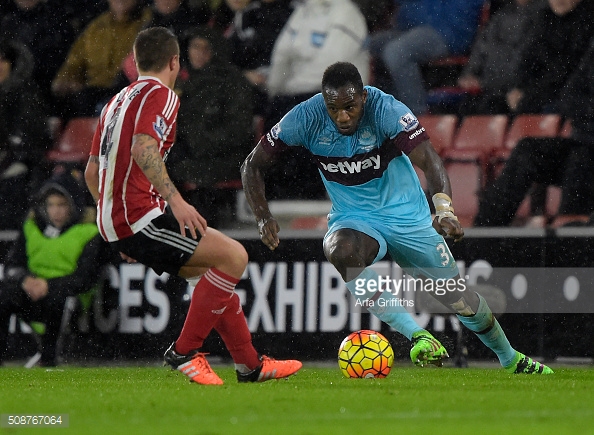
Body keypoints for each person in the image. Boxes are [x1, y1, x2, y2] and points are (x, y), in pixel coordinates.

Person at [241, 61, 553, 374]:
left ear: (363, 96)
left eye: (350, 107)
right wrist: (263, 217)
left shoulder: (387, 110)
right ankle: (418, 335)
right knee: (340, 251)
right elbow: (252, 165)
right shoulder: (306, 117)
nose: (343, 116)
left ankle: (510, 358)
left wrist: (444, 210)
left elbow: (431, 163)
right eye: (334, 109)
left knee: (460, 299)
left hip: (408, 218)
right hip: (355, 218)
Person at [84, 26, 301, 385]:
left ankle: (251, 365)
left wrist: (112, 221)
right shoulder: (162, 95)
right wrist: (176, 201)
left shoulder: (116, 101)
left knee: (211, 275)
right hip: (140, 214)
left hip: (121, 217)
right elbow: (143, 148)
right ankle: (185, 352)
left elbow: (93, 170)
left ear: (136, 62)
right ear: (175, 62)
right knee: (234, 257)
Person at [474, 36, 594, 227]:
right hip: (585, 142)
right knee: (528, 150)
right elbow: (570, 95)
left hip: (585, 150)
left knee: (581, 159)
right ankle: (483, 235)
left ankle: (572, 242)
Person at [262, 0, 370, 200]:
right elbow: (281, 55)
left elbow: (332, 65)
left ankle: (312, 190)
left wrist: (294, 82)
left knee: (308, 117)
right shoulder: (303, 12)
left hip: (336, 94)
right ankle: (285, 189)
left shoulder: (346, 13)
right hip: (294, 92)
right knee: (274, 114)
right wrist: (275, 89)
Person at [0, 169, 104, 367]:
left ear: (73, 206)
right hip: (33, 294)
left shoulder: (89, 233)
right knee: (5, 293)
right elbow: (12, 266)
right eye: (51, 205)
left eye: (62, 205)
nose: (56, 211)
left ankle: (49, 360)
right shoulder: (31, 227)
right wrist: (25, 280)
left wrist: (50, 285)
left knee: (60, 300)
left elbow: (85, 278)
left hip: (68, 301)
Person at [167, 26, 255, 228]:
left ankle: (198, 231)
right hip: (188, 155)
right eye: (195, 47)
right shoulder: (181, 82)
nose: (199, 53)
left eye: (206, 48)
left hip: (225, 157)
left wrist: (199, 143)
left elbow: (239, 131)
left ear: (216, 51)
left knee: (180, 173)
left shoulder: (233, 82)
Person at [365, 0, 485, 115]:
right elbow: (406, 15)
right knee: (368, 45)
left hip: (449, 33)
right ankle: (383, 110)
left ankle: (417, 116)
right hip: (415, 29)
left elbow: (460, 16)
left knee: (396, 52)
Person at [51, 0, 152, 119]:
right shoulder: (96, 27)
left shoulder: (148, 23)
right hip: (92, 94)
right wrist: (66, 80)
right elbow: (74, 63)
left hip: (129, 92)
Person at [456, 0, 545, 116]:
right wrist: (469, 74)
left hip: (517, 92)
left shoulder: (544, 16)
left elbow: (526, 61)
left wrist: (485, 83)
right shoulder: (501, 15)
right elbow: (482, 47)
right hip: (489, 88)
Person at [505, 0, 594, 115]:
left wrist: (531, 95)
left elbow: (568, 70)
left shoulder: (587, 21)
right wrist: (518, 88)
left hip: (566, 95)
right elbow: (526, 59)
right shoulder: (544, 18)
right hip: (540, 92)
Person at [0, 38, 51, 230]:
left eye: (3, 60)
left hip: (20, 158)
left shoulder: (25, 92)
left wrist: (14, 146)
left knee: (15, 174)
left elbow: (33, 134)